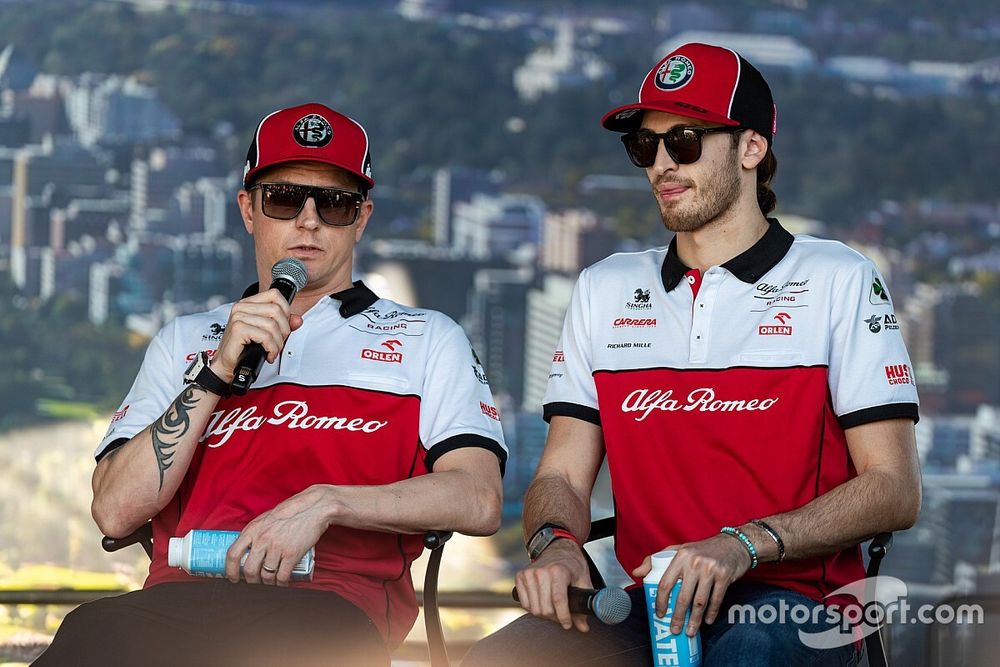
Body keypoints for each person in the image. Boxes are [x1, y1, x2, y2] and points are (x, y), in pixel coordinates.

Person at [463, 43, 920, 667]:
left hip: (791, 605)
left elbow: (894, 488)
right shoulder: (605, 287)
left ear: (752, 149)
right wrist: (557, 545)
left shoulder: (839, 278)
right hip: (648, 611)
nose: (660, 165)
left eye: (683, 141)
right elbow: (563, 476)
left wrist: (743, 545)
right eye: (644, 147)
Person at [35, 102, 506, 667]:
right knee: (86, 635)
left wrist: (326, 504)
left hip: (326, 609)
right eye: (284, 199)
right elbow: (114, 511)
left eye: (334, 204)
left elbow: (479, 499)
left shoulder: (429, 339)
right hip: (178, 602)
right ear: (248, 210)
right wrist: (215, 372)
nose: (308, 221)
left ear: (362, 218)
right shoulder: (185, 338)